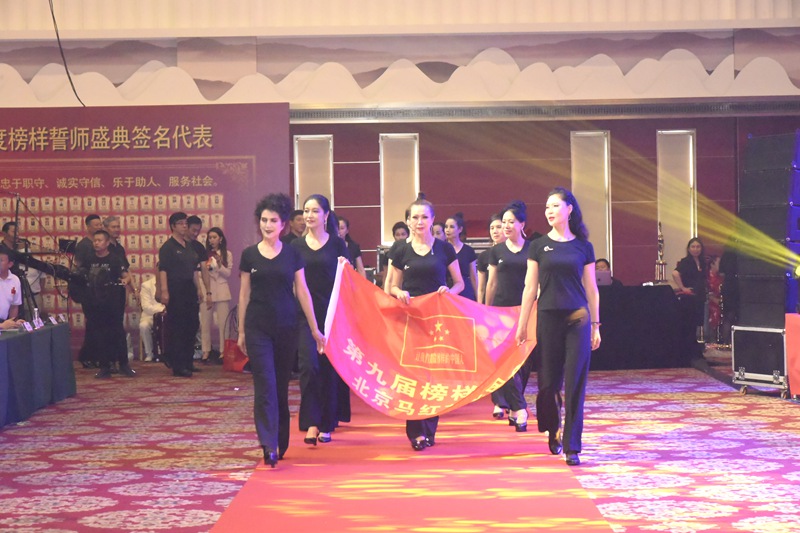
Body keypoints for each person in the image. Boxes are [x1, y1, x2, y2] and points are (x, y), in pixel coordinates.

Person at [516, 187, 601, 467]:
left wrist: (596, 325)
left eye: (555, 206)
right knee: (548, 385)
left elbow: (592, 289)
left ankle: (572, 445)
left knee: (575, 383)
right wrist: (522, 325)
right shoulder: (538, 246)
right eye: (546, 207)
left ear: (569, 209)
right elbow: (530, 288)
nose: (549, 211)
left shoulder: (583, 246)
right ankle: (553, 428)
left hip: (578, 318)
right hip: (548, 318)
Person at [238, 193, 323, 467]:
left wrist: (314, 329)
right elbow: (244, 295)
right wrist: (241, 332)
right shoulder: (249, 255)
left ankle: (280, 441)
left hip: (287, 327)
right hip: (257, 328)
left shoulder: (292, 254)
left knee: (280, 387)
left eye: (273, 220)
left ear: (283, 224)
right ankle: (268, 444)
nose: (267, 225)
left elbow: (303, 291)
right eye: (264, 220)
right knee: (265, 385)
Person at [388, 193, 464, 451]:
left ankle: (430, 429)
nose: (419, 222)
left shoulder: (444, 248)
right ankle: (416, 432)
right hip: (409, 319)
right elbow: (391, 286)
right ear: (408, 221)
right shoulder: (400, 249)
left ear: (433, 220)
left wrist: (448, 292)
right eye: (414, 217)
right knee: (412, 375)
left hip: (437, 321)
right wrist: (399, 293)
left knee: (433, 377)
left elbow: (459, 283)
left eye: (424, 217)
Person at [292, 194, 350, 446]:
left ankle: (326, 423)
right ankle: (311, 423)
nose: (309, 215)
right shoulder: (295, 246)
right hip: (305, 315)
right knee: (308, 367)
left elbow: (348, 280)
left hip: (332, 315)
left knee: (328, 369)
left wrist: (345, 267)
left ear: (326, 215)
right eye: (306, 210)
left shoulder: (337, 245)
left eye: (315, 211)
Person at [485, 201, 532, 429]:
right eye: (504, 222)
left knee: (524, 362)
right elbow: (492, 283)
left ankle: (515, 404)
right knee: (506, 361)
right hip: (501, 312)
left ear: (522, 224)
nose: (506, 226)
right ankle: (520, 408)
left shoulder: (533, 248)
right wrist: (486, 310)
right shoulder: (497, 251)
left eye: (511, 222)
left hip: (526, 310)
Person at [81, 230, 136, 379]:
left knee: (118, 332)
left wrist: (125, 281)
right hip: (95, 302)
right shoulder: (89, 259)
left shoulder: (115, 259)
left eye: (100, 240)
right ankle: (104, 367)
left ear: (106, 243)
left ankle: (124, 365)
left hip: (113, 302)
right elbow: (82, 276)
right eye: (95, 240)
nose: (96, 243)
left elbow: (126, 276)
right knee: (100, 335)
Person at [158, 212, 202, 377]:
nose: (185, 226)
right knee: (178, 327)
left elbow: (194, 270)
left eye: (185, 223)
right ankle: (178, 364)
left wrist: (199, 289)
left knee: (192, 325)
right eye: (181, 223)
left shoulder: (189, 246)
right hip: (175, 289)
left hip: (189, 289)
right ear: (173, 226)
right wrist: (164, 291)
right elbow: (163, 270)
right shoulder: (168, 247)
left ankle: (188, 361)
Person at [200, 227, 233, 363]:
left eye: (214, 237)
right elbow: (201, 273)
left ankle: (223, 351)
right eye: (210, 238)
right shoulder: (204, 254)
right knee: (205, 322)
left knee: (223, 323)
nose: (212, 240)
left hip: (221, 290)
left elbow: (228, 274)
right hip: (207, 291)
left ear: (220, 239)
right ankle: (206, 351)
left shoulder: (227, 254)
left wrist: (219, 264)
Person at [672, 237, 707, 361]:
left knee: (697, 324)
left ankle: (695, 350)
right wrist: (683, 287)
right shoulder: (686, 262)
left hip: (699, 297)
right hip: (689, 298)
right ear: (689, 249)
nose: (696, 249)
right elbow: (675, 273)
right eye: (693, 247)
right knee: (689, 325)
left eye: (698, 247)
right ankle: (689, 352)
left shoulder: (703, 262)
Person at [444, 213, 478, 301]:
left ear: (460, 229)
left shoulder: (468, 250)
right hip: (446, 289)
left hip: (465, 290)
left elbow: (473, 277)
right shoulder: (441, 249)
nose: (447, 230)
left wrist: (478, 298)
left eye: (451, 227)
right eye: (446, 227)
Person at [477, 214, 504, 304]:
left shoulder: (512, 254)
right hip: (490, 303)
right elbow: (481, 288)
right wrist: (480, 306)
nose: (495, 231)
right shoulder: (484, 256)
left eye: (498, 227)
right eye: (492, 228)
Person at [138, 273, 165, 362]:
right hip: (150, 315)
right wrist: (162, 309)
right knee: (144, 326)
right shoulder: (146, 285)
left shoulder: (172, 283)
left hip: (168, 315)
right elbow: (146, 307)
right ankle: (149, 353)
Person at [0, 246, 24, 330]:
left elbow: (14, 306)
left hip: (4, 322)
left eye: (0, 260)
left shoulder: (15, 280)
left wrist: (13, 323)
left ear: (10, 264)